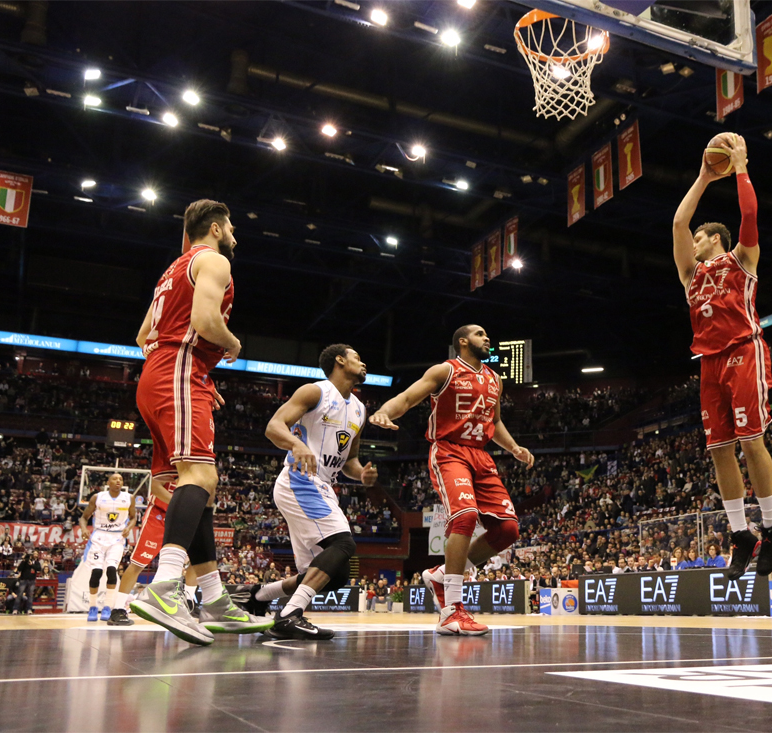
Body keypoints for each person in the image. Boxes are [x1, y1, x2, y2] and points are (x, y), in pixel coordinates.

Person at [129, 199, 271, 645]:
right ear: (214, 228)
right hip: (179, 371)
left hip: (163, 375)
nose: (235, 235)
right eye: (230, 226)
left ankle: (213, 599)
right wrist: (231, 344)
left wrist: (190, 373)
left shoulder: (172, 269)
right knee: (201, 475)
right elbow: (206, 321)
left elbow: (142, 337)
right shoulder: (214, 260)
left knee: (199, 490)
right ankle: (165, 586)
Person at [370, 325, 534, 635]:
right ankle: (451, 611)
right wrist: (383, 411)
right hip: (449, 451)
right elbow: (406, 398)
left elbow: (494, 421)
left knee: (508, 529)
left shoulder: (494, 379)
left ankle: (441, 575)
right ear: (463, 341)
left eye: (487, 334)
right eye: (480, 333)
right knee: (466, 516)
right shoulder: (445, 371)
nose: (487, 337)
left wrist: (513, 447)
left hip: (481, 456)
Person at [671, 132, 772, 581]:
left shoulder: (742, 259)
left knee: (751, 440)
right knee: (719, 450)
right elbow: (679, 223)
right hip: (709, 362)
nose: (694, 241)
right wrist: (702, 177)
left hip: (743, 350)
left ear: (715, 239)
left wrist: (740, 168)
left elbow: (750, 214)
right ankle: (742, 534)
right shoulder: (689, 275)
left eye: (701, 237)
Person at [240, 344, 378, 640]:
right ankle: (290, 614)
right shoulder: (315, 392)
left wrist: (362, 475)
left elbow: (349, 461)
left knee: (335, 573)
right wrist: (296, 444)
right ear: (340, 361)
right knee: (344, 545)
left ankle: (258, 596)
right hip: (299, 481)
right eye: (357, 356)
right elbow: (274, 426)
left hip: (324, 486)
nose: (363, 362)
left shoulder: (359, 409)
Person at [109, 480, 200, 627]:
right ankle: (118, 609)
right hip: (159, 514)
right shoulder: (170, 462)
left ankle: (189, 602)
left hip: (184, 517)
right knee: (138, 563)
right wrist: (180, 504)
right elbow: (156, 487)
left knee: (198, 558)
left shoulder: (198, 469)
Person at [78, 473, 132, 622]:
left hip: (116, 538)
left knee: (111, 570)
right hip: (99, 537)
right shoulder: (98, 497)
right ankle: (93, 607)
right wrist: (83, 529)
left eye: (121, 479)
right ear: (108, 482)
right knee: (96, 573)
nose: (118, 481)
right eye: (115, 479)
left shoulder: (129, 498)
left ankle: (108, 607)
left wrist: (129, 527)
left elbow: (133, 517)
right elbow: (83, 517)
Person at [15, 550, 41, 615]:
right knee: (19, 595)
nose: (35, 555)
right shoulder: (24, 562)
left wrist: (32, 565)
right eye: (33, 554)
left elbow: (39, 569)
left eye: (36, 554)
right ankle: (15, 609)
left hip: (32, 580)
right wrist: (24, 561)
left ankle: (29, 609)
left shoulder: (37, 563)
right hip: (23, 579)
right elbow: (19, 569)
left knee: (30, 595)